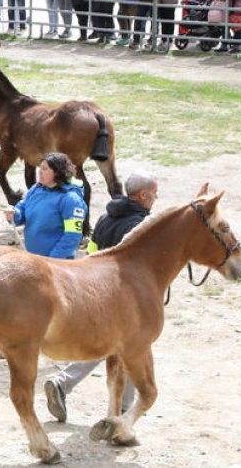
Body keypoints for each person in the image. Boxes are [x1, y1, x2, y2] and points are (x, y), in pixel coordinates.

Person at [42, 173, 158, 424]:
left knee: (106, 344)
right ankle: (123, 412)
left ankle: (63, 382)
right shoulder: (142, 226)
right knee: (129, 347)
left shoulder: (106, 217)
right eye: (154, 193)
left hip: (95, 289)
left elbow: (92, 251)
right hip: (124, 297)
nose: (156, 198)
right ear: (143, 195)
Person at [4, 152, 86, 259]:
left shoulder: (71, 200)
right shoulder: (36, 189)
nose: (40, 172)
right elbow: (22, 209)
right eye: (40, 168)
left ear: (57, 172)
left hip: (56, 263)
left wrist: (53, 260)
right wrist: (14, 214)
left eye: (44, 169)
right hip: (34, 259)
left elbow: (73, 235)